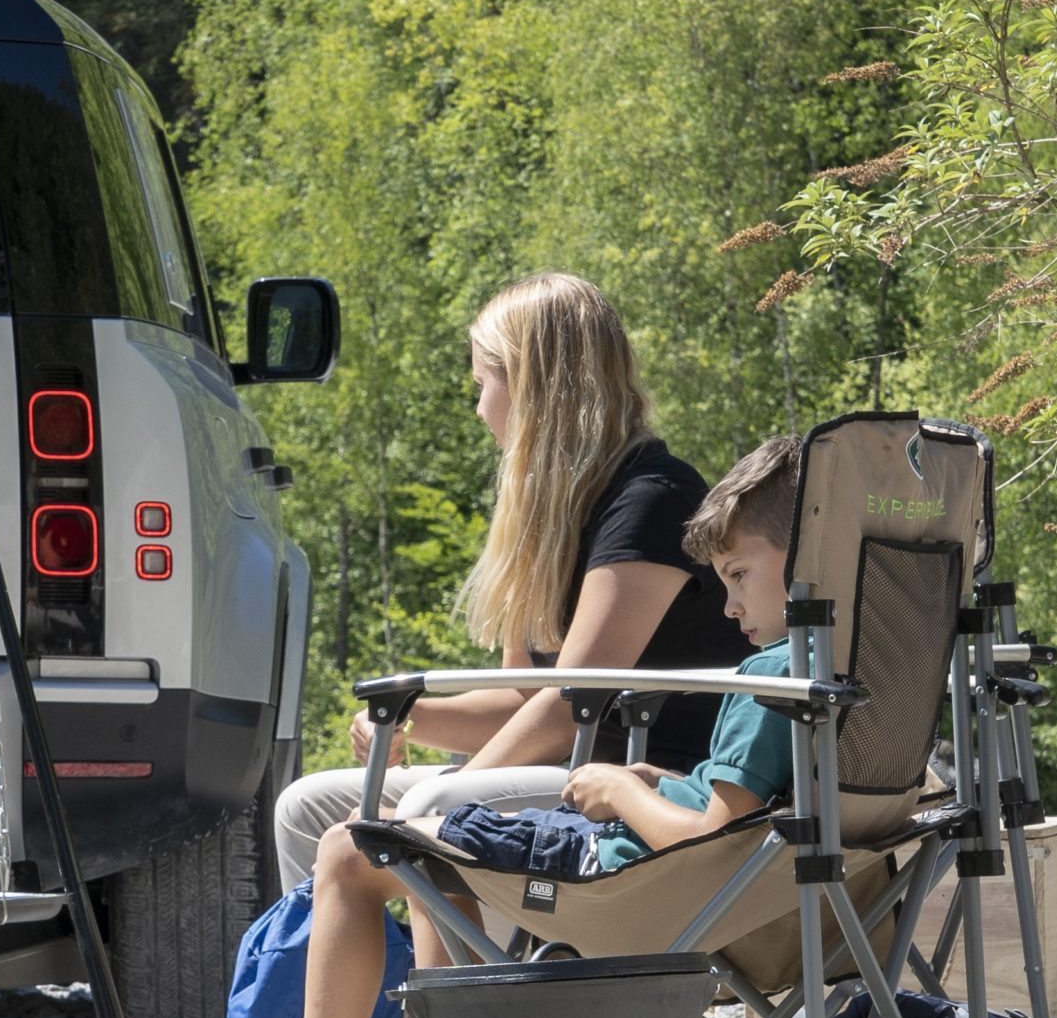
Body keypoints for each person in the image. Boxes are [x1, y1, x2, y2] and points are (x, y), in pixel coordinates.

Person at [189, 435, 800, 1018]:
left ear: (803, 561)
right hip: (729, 886)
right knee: (393, 848)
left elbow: (704, 836)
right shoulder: (845, 670)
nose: (727, 607)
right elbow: (724, 814)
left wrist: (618, 785)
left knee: (359, 850)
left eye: (739, 577)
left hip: (627, 885)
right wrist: (656, 788)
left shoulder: (769, 675)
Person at [272, 272, 750, 893]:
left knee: (422, 815)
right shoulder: (548, 519)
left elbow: (571, 702)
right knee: (304, 807)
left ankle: (460, 987)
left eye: (481, 384)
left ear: (532, 387)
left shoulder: (652, 498)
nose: (477, 409)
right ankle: (345, 987)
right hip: (567, 767)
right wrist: (408, 722)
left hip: (647, 784)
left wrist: (444, 805)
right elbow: (523, 696)